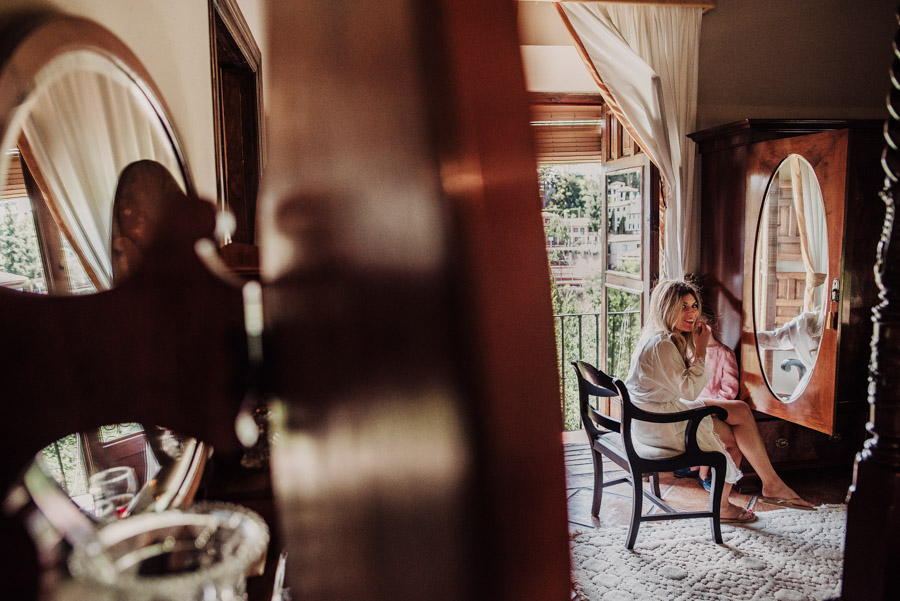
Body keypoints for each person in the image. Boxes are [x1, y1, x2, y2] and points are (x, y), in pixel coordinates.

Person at [625, 279, 815, 523]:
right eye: (683, 307)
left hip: (655, 415)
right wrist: (701, 350)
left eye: (694, 306)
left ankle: (771, 484)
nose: (692, 313)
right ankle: (725, 505)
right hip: (660, 424)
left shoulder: (659, 337)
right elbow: (690, 391)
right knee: (731, 439)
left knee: (740, 410)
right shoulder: (663, 344)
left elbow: (681, 389)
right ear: (666, 308)